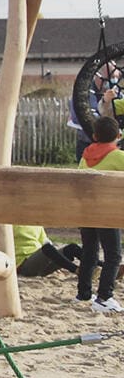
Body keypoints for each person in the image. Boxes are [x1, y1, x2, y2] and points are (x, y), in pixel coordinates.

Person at [76, 117, 124, 310]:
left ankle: (83, 294)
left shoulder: (85, 156)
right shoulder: (119, 157)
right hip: (106, 211)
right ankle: (104, 296)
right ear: (119, 135)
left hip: (85, 212)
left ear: (94, 136)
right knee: (113, 255)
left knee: (89, 252)